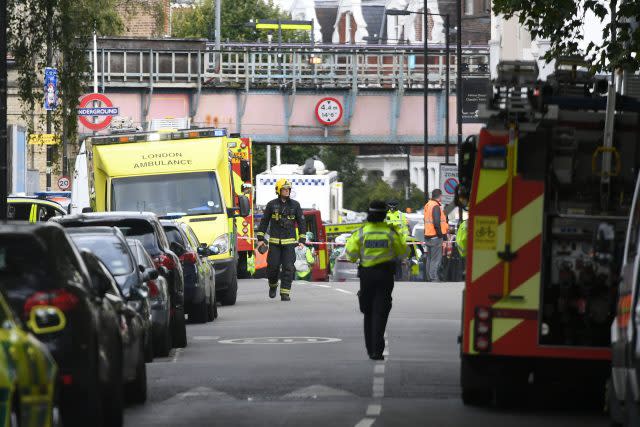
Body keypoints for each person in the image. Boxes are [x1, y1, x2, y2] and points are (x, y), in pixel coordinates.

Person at [345, 200, 407, 361]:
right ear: (385, 215)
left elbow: (350, 255)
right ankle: (377, 351)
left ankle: (370, 348)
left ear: (369, 214)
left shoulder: (362, 232)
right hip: (386, 276)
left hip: (367, 276)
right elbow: (402, 252)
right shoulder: (390, 232)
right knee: (381, 312)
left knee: (368, 312)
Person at [256, 178, 307, 301]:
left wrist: (302, 239)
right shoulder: (271, 205)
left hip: (289, 244)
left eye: (288, 189)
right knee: (272, 267)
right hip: (274, 243)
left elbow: (301, 223)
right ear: (278, 190)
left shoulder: (295, 205)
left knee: (288, 268)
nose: (287, 191)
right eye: (284, 189)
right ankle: (273, 286)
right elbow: (264, 221)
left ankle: (285, 293)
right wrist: (260, 238)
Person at [424, 189, 449, 282]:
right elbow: (437, 223)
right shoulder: (435, 206)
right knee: (435, 259)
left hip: (428, 235)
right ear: (439, 196)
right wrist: (440, 235)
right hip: (435, 236)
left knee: (430, 258)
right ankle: (433, 277)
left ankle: (429, 277)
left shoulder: (428, 205)